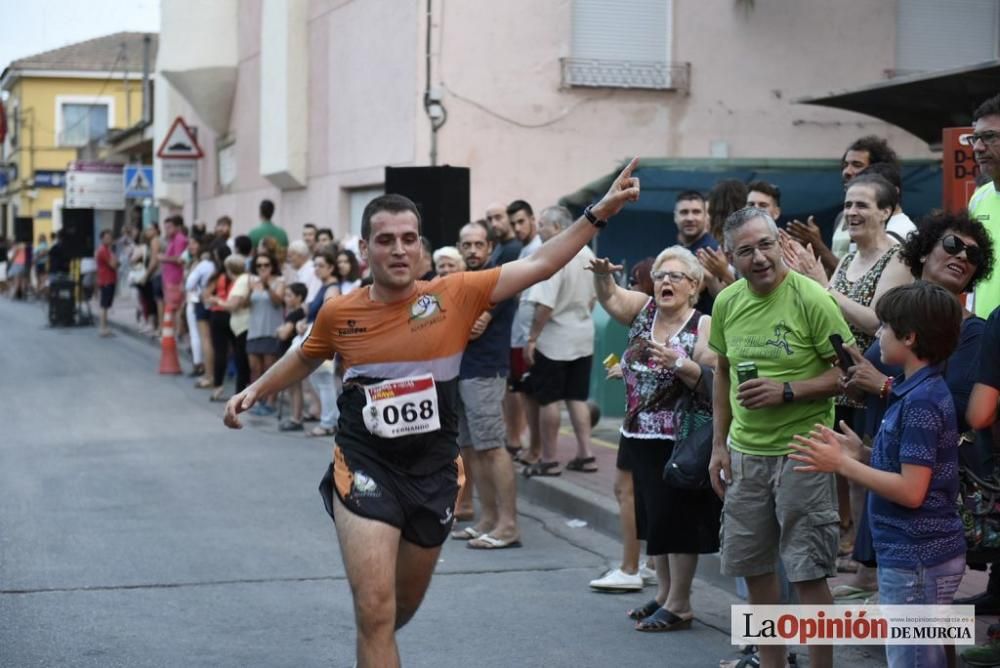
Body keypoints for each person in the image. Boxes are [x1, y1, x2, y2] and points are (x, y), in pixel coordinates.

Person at [222, 161, 640, 667]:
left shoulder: (455, 294)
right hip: (365, 465)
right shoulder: (340, 312)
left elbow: (542, 264)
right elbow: (308, 354)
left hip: (434, 471)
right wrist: (256, 388)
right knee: (374, 611)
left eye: (408, 238)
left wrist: (599, 213)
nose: (398, 249)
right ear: (364, 249)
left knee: (396, 612)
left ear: (421, 246)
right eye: (385, 240)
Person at [790, 282, 965, 668]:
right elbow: (914, 469)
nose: (878, 334)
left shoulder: (919, 402)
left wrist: (844, 465)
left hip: (916, 558)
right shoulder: (914, 392)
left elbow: (911, 490)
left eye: (884, 326)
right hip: (919, 554)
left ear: (910, 336)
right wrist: (863, 454)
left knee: (913, 659)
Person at [708, 206, 852, 668]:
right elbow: (722, 375)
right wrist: (718, 446)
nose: (759, 258)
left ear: (780, 244)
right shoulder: (728, 302)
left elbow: (848, 374)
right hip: (746, 456)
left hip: (804, 453)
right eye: (746, 251)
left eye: (766, 245)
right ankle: (771, 661)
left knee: (808, 571)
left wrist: (787, 390)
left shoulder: (813, 298)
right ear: (731, 257)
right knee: (754, 568)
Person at [835, 211, 995, 600]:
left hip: (926, 500)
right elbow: (873, 383)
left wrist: (883, 385)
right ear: (924, 252)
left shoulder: (972, 332)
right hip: (890, 463)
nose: (961, 257)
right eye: (953, 245)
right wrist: (858, 384)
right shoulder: (896, 315)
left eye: (972, 256)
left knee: (918, 625)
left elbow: (956, 411)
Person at [587, 247, 721, 628]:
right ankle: (662, 594)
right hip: (637, 434)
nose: (665, 281)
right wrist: (601, 274)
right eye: (661, 275)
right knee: (654, 520)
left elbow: (711, 382)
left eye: (676, 276)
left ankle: (680, 603)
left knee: (677, 522)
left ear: (694, 286)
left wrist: (677, 363)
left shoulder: (702, 324)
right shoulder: (644, 311)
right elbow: (611, 296)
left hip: (678, 439)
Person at [449, 220, 521, 549]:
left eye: (479, 244)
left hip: (486, 372)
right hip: (463, 371)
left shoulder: (498, 279)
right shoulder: (464, 281)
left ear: (490, 248)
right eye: (467, 245)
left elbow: (475, 324)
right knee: (472, 449)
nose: (473, 250)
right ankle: (489, 518)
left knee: (492, 447)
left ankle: (508, 525)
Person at [522, 205, 598, 475]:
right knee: (577, 397)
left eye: (542, 224)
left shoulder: (554, 255)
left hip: (554, 339)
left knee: (549, 400)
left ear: (556, 228)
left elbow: (545, 305)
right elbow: (593, 299)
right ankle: (586, 454)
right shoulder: (587, 252)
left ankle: (550, 459)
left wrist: (532, 338)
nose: (538, 229)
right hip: (582, 334)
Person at [787, 135, 899, 277]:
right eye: (845, 165)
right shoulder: (842, 217)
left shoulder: (895, 227)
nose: (847, 171)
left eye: (856, 165)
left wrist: (819, 246)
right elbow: (839, 272)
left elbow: (859, 278)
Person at [300, 248, 341, 437]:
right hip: (319, 337)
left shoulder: (331, 288)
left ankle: (328, 422)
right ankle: (329, 420)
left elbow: (328, 314)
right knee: (321, 380)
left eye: (321, 265)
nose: (317, 269)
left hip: (324, 340)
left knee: (324, 381)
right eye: (315, 265)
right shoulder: (324, 286)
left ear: (331, 267)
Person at [969, 93, 1000, 318]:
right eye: (975, 138)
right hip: (984, 336)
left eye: (989, 136)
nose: (977, 147)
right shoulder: (979, 198)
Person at [204, 250, 251, 401]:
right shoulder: (248, 280)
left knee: (221, 352)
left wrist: (216, 300)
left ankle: (218, 386)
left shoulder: (221, 277)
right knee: (239, 354)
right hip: (234, 319)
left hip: (221, 314)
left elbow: (206, 295)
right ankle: (240, 388)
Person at [246, 249, 286, 416]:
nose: (262, 268)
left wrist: (267, 285)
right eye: (259, 265)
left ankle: (270, 402)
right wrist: (249, 290)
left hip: (271, 329)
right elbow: (244, 304)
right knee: (255, 368)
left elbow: (279, 302)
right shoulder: (251, 281)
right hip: (254, 330)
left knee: (270, 369)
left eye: (266, 265)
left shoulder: (279, 281)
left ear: (272, 266)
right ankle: (255, 400)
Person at [673, 190, 720, 314]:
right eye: (684, 212)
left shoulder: (710, 250)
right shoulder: (679, 249)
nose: (690, 218)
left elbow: (683, 296)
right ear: (675, 217)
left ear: (706, 216)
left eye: (696, 212)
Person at [276, 282, 310, 432]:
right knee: (294, 386)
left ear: (299, 297)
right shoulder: (301, 313)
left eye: (289, 295)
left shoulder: (295, 314)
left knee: (294, 387)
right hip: (291, 352)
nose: (286, 298)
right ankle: (296, 416)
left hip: (290, 353)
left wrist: (279, 331)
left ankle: (296, 418)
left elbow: (284, 334)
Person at [187, 236, 217, 387]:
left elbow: (189, 284)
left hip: (203, 302)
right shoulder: (218, 265)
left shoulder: (203, 265)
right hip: (216, 303)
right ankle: (213, 375)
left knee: (205, 339)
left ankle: (208, 375)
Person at [159, 215, 189, 316]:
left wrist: (163, 258)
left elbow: (179, 259)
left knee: (175, 307)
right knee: (172, 306)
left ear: (178, 227)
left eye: (169, 227)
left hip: (175, 279)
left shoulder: (179, 239)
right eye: (165, 228)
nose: (166, 230)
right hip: (169, 278)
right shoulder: (173, 239)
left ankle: (177, 331)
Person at [95, 230, 118, 337]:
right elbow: (113, 265)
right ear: (102, 239)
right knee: (104, 305)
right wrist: (115, 259)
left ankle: (105, 327)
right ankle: (103, 328)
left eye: (110, 237)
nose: (109, 239)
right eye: (106, 237)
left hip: (110, 279)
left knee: (106, 305)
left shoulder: (107, 250)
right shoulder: (103, 250)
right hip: (106, 280)